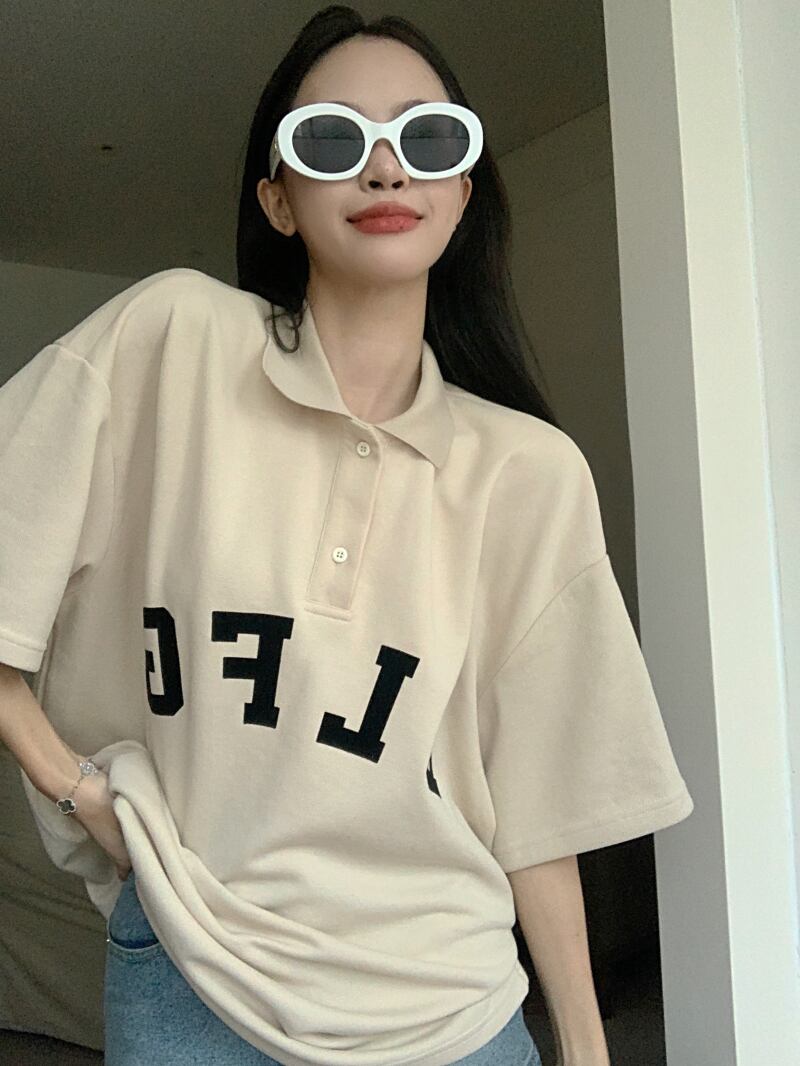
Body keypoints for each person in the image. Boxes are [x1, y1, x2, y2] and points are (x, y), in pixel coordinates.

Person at [0, 5, 694, 1065]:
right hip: (191, 975)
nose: (385, 167)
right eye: (332, 138)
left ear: (463, 191)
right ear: (277, 198)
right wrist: (69, 779)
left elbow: (537, 805)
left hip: (451, 1006)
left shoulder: (528, 472)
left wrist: (588, 1048)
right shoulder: (168, 341)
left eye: (428, 138)